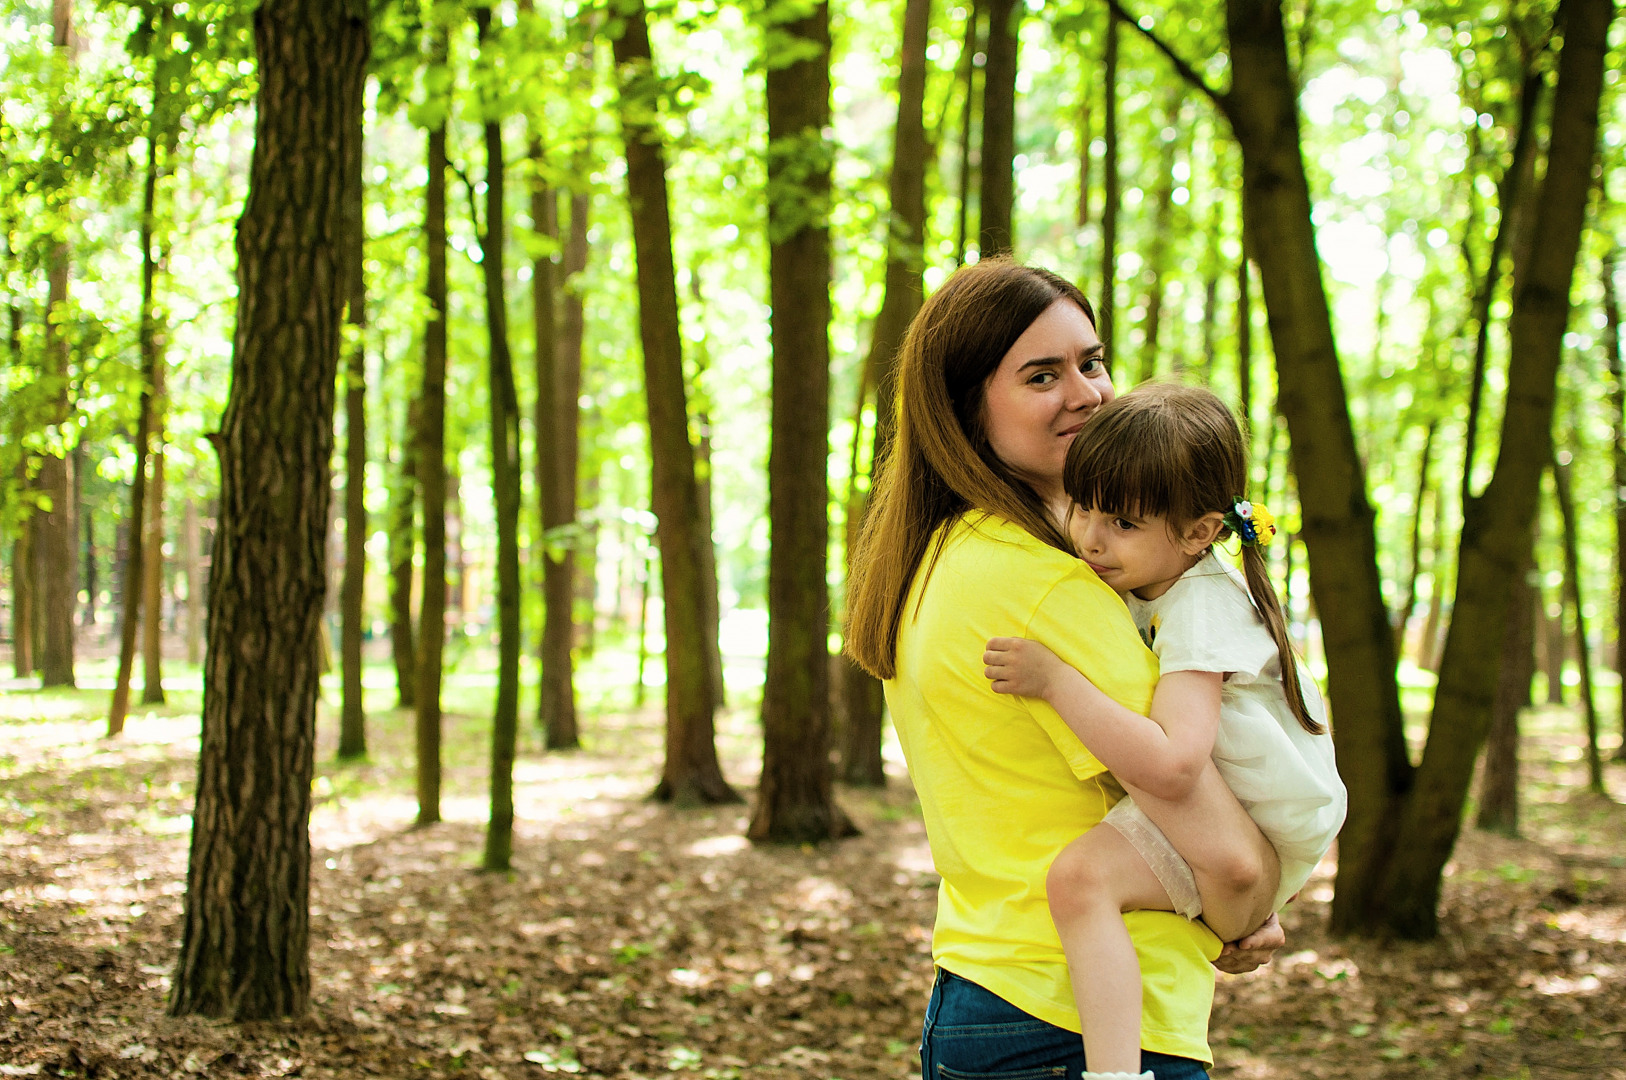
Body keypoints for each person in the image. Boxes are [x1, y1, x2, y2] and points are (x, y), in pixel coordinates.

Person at [845, 258, 1284, 1080]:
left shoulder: (951, 555)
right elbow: (1227, 855)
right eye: (1041, 375)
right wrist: (1246, 913)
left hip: (999, 991)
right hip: (1073, 1028)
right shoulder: (1043, 584)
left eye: (1092, 361)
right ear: (965, 411)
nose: (1085, 393)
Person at [982, 383, 1347, 1080]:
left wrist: (1055, 681)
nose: (1090, 536)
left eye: (1121, 523)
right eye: (1084, 507)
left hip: (1261, 818)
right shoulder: (1156, 574)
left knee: (1080, 882)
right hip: (1252, 822)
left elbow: (1178, 764)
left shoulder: (1203, 605)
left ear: (1199, 532)